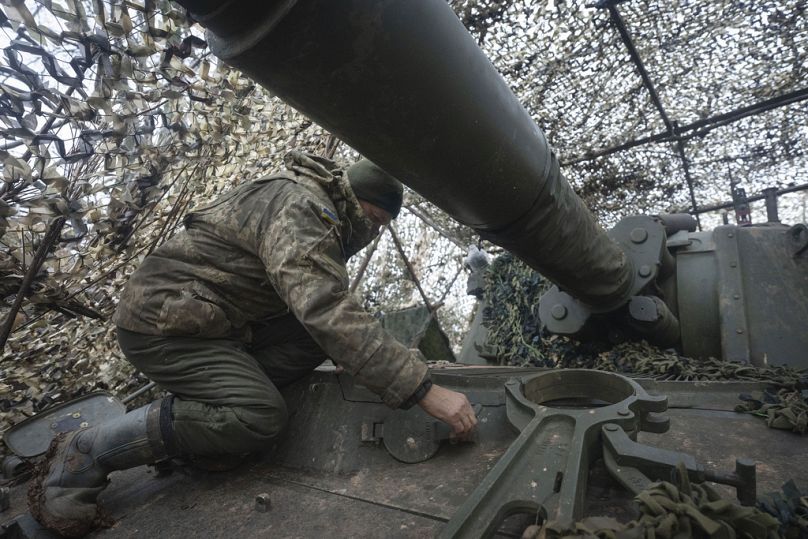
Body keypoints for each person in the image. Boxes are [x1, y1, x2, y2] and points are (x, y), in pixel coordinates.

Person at [29, 151, 477, 537]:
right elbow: (325, 307)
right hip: (163, 325)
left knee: (312, 340)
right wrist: (422, 389)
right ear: (356, 202)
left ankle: (211, 425)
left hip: (209, 318)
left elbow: (318, 314)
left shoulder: (310, 198)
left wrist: (366, 358)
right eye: (374, 221)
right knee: (260, 415)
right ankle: (88, 452)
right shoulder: (307, 211)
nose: (373, 233)